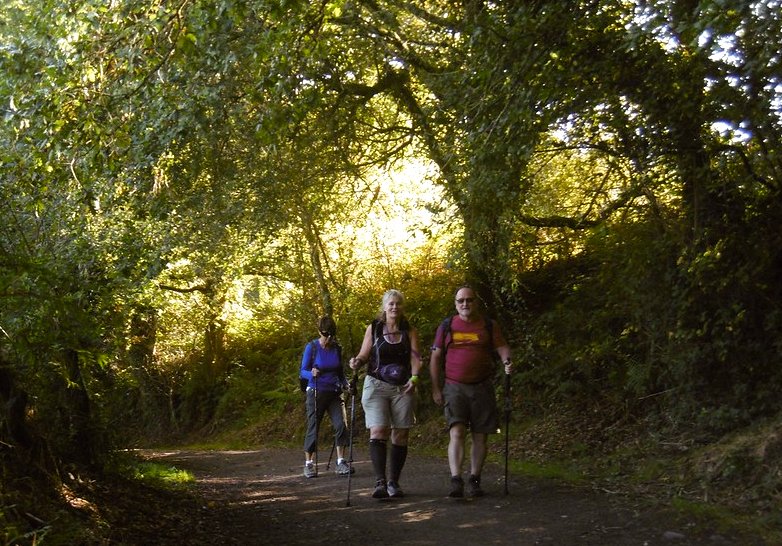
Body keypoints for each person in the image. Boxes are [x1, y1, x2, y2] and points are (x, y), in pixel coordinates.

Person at [429, 284, 512, 498]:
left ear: (476, 301)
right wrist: (436, 388)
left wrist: (507, 360)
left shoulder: (487, 324)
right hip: (454, 386)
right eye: (461, 301)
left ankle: (475, 479)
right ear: (455, 304)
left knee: (480, 436)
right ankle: (456, 480)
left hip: (482, 385)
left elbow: (501, 346)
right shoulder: (447, 326)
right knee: (456, 431)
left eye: (469, 300)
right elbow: (435, 358)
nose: (465, 304)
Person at [349, 289, 422, 499]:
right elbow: (364, 353)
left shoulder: (409, 331)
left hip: (403, 387)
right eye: (390, 304)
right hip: (376, 385)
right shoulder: (374, 328)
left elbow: (416, 358)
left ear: (402, 307)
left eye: (398, 303)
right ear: (384, 307)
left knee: (400, 433)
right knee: (378, 430)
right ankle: (380, 482)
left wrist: (415, 378)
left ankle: (394, 482)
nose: (394, 307)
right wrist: (357, 362)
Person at [300, 316, 352, 478]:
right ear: (319, 332)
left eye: (330, 335)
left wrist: (346, 384)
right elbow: (302, 371)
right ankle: (309, 464)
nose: (327, 339)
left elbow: (340, 372)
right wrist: (311, 373)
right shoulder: (312, 347)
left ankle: (341, 462)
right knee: (314, 427)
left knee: (341, 425)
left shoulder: (337, 348)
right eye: (325, 335)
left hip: (334, 392)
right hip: (316, 391)